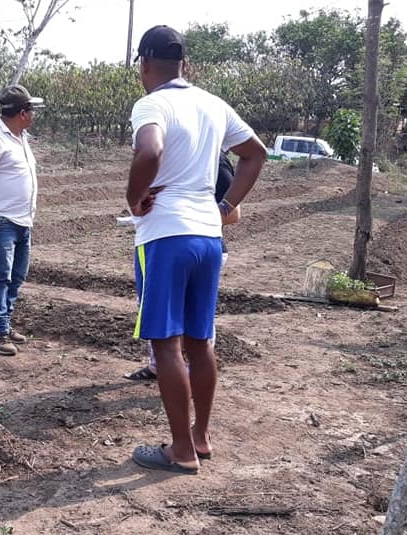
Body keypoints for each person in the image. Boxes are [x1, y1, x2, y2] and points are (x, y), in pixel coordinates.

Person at [126, 26, 267, 474]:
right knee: (200, 341)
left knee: (166, 345)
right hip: (208, 236)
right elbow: (255, 153)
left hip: (167, 236)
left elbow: (149, 151)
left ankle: (181, 451)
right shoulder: (213, 103)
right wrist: (226, 206)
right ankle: (201, 438)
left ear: (145, 64)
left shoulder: (152, 104)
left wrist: (134, 199)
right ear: (184, 64)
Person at [123, 151, 240, 382]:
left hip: (189, 245)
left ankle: (189, 377)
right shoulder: (168, 156)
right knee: (158, 309)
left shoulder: (212, 159)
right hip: (159, 243)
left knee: (192, 318)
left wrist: (186, 220)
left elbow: (233, 213)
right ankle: (158, 368)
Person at [0, 84, 44, 356]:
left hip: (23, 221)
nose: (34, 114)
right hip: (1, 221)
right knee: (1, 276)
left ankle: (3, 322)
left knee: (17, 275)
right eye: (32, 109)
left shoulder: (21, 137)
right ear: (22, 113)